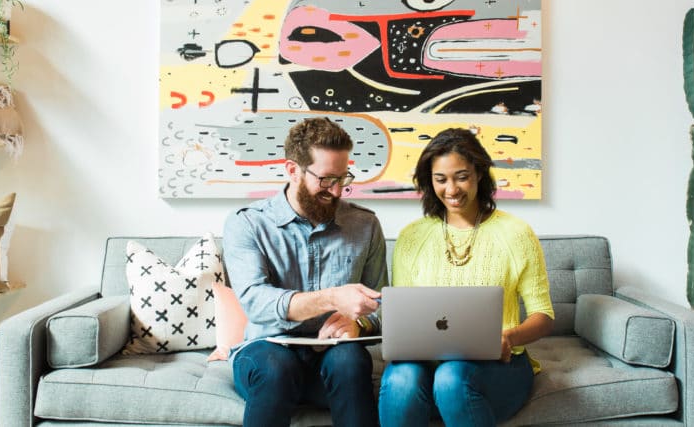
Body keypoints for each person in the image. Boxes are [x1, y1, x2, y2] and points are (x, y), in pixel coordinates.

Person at [379, 127, 555, 427]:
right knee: (400, 378)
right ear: (428, 181)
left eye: (462, 176)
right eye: (441, 179)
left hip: (500, 365)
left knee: (451, 377)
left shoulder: (516, 233)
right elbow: (404, 317)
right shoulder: (411, 237)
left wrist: (508, 337)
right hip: (427, 363)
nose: (452, 189)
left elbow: (544, 315)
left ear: (480, 175)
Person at [223, 117, 387, 427]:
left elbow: (382, 305)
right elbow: (256, 302)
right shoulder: (248, 223)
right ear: (292, 170)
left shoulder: (365, 225)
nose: (337, 190)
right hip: (266, 352)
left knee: (350, 361)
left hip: (335, 357)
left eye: (344, 177)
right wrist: (331, 299)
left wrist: (359, 325)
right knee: (276, 368)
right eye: (326, 179)